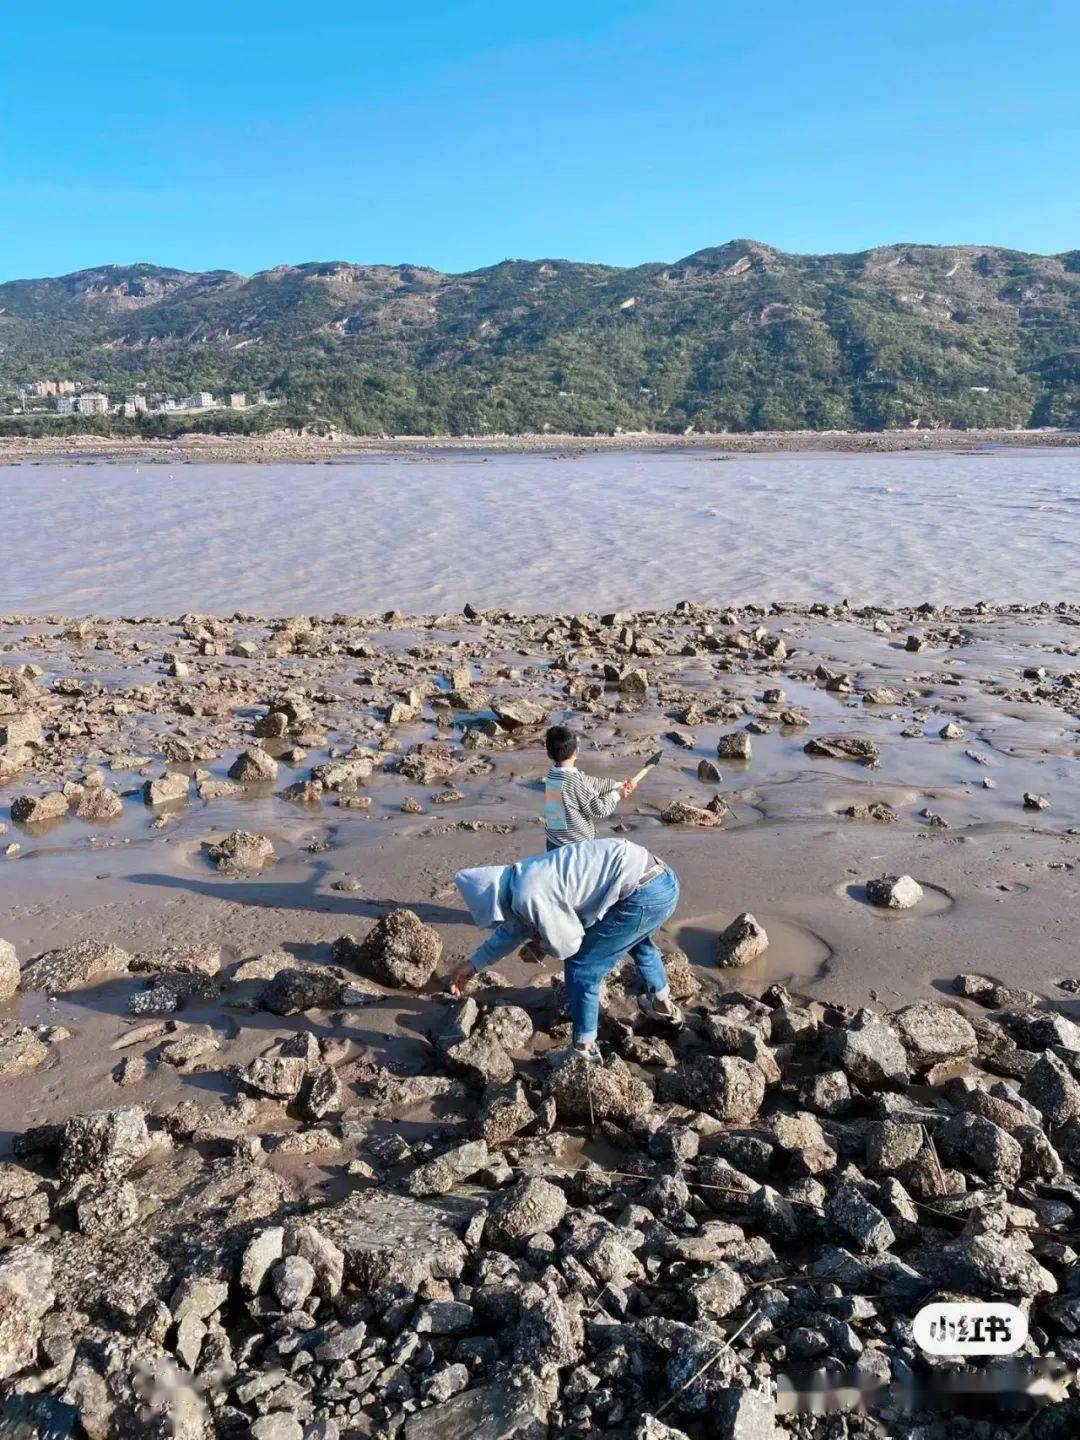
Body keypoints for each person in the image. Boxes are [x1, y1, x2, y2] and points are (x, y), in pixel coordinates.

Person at [447, 837, 683, 1064]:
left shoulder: (529, 895)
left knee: (582, 967)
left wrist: (540, 945)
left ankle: (584, 1050)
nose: (498, 922)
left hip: (643, 895)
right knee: (638, 943)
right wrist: (473, 965)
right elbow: (513, 930)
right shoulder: (519, 877)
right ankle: (661, 1002)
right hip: (661, 880)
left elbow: (567, 945)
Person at [544, 724, 638, 850]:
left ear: (549, 754)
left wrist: (616, 785)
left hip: (553, 840)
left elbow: (589, 782)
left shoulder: (552, 775)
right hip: (574, 845)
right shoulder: (576, 781)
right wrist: (617, 795)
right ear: (577, 752)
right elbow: (598, 809)